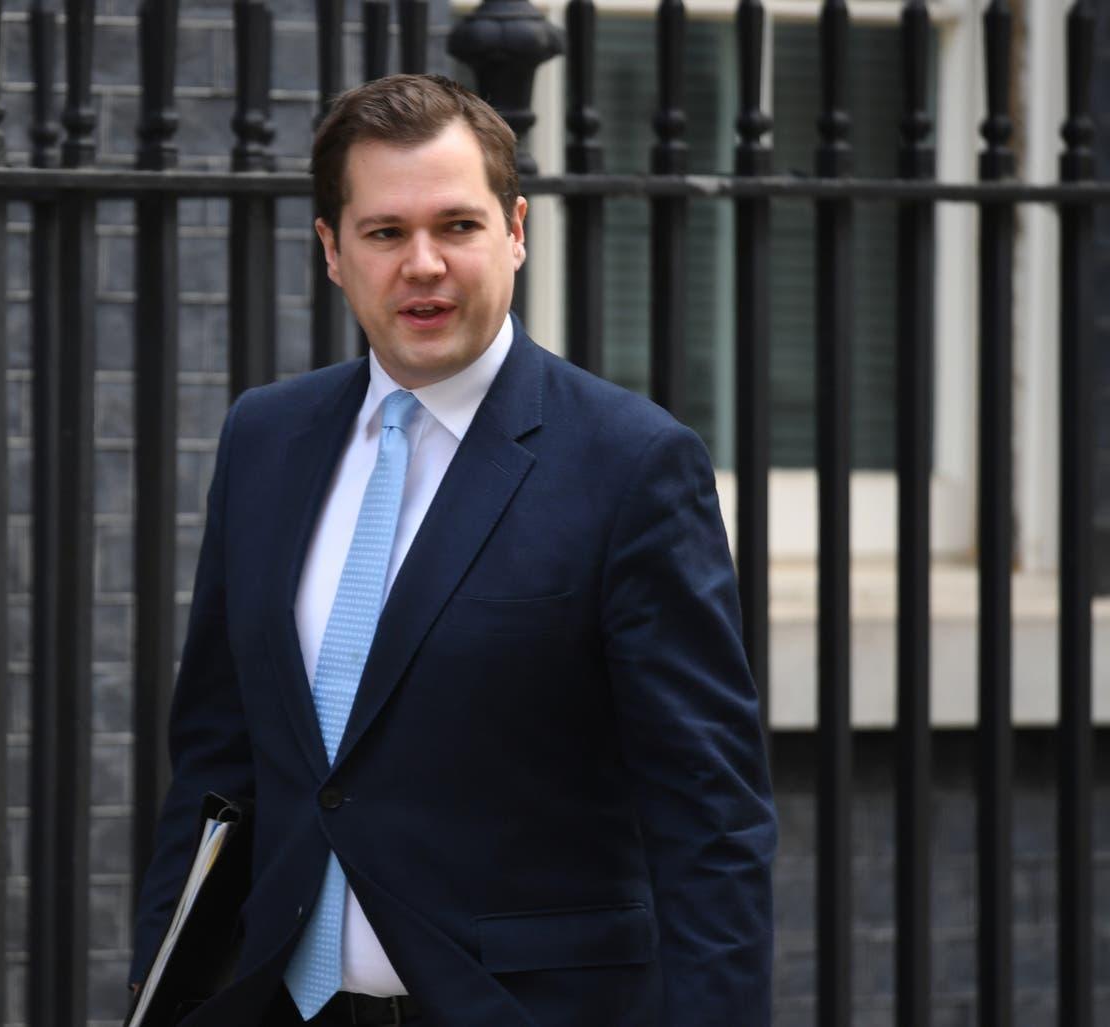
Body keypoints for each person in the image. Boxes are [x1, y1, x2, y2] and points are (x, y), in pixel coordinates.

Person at [130, 73, 776, 1027]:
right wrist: (159, 997)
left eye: (458, 226)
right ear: (333, 253)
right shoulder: (265, 439)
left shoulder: (631, 465)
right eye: (386, 233)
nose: (423, 263)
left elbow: (710, 818)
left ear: (516, 230)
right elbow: (217, 770)